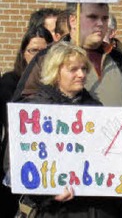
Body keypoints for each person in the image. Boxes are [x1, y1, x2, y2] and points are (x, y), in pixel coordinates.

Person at [13, 3, 122, 175]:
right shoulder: (47, 58)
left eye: (104, 18)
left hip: (114, 177)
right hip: (61, 175)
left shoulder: (121, 63)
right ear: (73, 20)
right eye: (93, 17)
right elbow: (23, 112)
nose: (100, 24)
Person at [8, 42, 120, 217]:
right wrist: (48, 194)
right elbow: (14, 163)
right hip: (51, 210)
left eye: (84, 68)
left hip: (92, 209)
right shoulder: (32, 112)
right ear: (56, 72)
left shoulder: (96, 109)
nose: (81, 74)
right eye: (73, 69)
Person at [0, 26, 54, 216]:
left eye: (45, 51)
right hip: (17, 158)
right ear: (23, 53)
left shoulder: (57, 85)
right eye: (33, 51)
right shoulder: (10, 82)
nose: (39, 56)